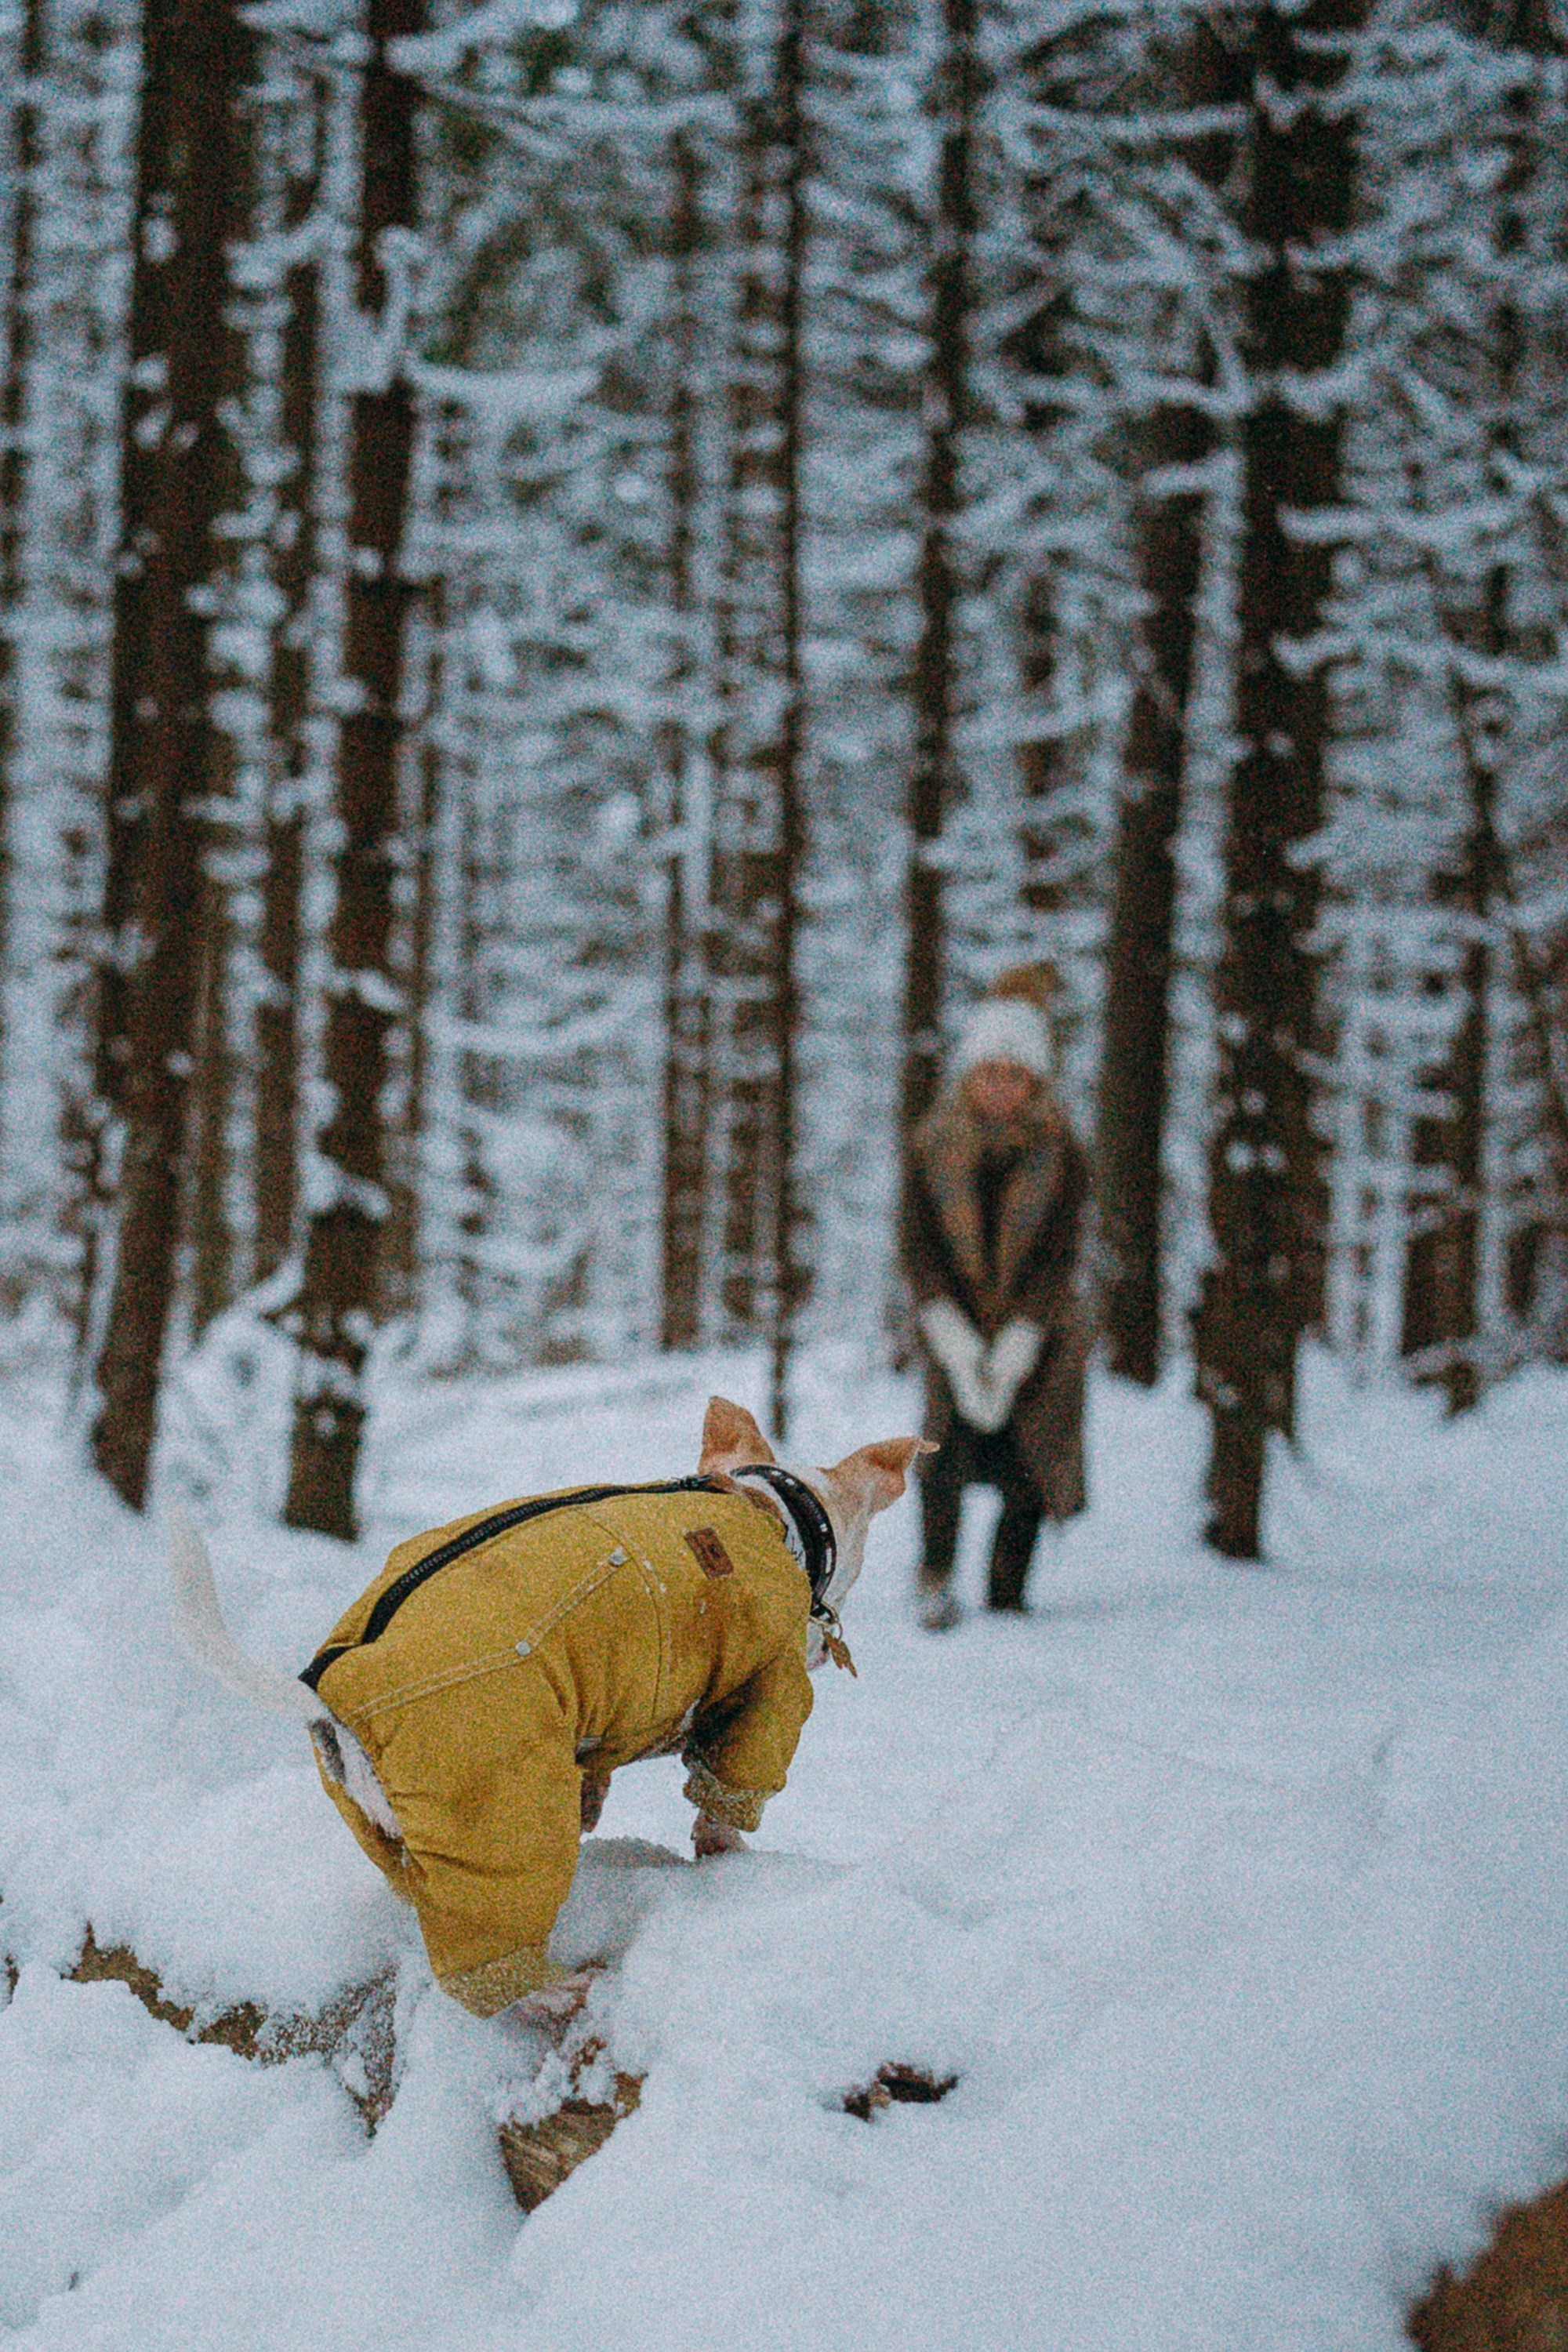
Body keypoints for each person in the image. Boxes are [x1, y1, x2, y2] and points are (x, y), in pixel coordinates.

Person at [902, 964, 1089, 1630]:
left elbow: (1062, 1253)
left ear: (1034, 1081)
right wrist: (947, 1329)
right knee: (940, 1460)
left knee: (1030, 1464)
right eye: (990, 1072)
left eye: (1015, 1075)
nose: (1000, 1087)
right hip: (950, 1320)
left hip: (1039, 1331)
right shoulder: (931, 1147)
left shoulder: (1062, 1151)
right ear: (969, 1076)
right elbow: (917, 1244)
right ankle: (935, 1579)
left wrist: (1022, 1338)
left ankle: (1008, 1593)